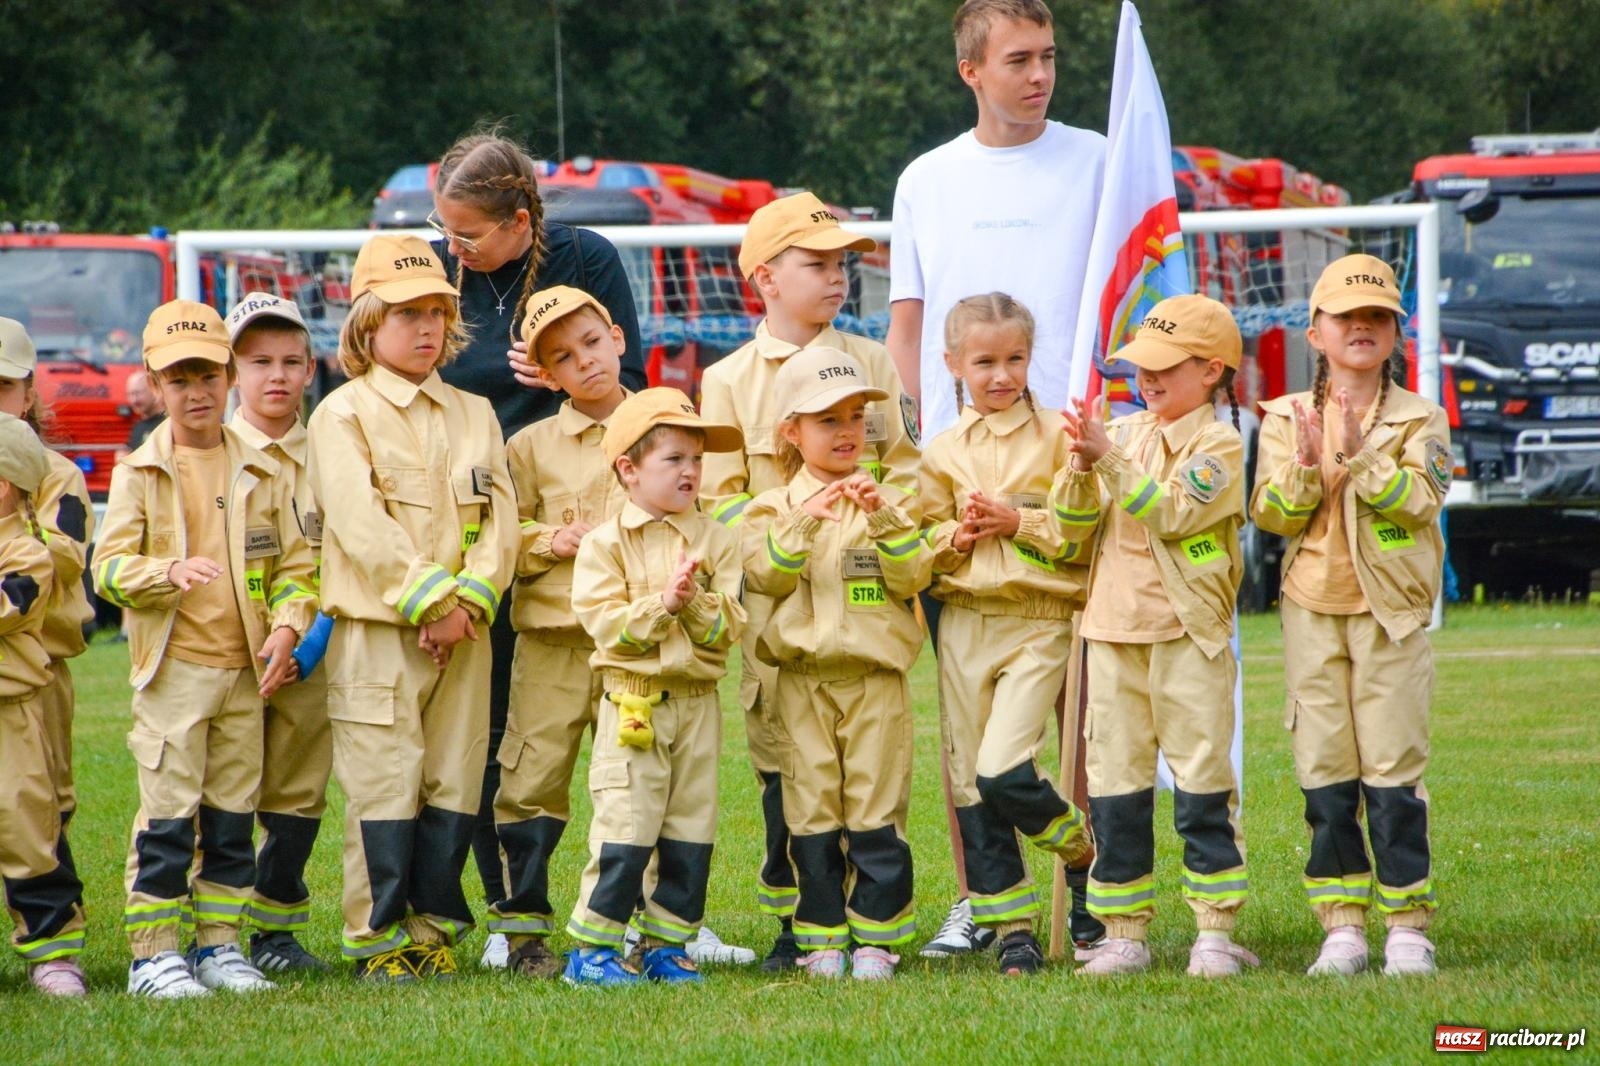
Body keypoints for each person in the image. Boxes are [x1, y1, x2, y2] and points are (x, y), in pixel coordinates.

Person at [885, 0, 1107, 955]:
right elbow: (908, 316)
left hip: (1076, 458)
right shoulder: (927, 178)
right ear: (970, 69)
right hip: (961, 471)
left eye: (1049, 57)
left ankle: (1101, 892)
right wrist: (917, 437)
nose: (1039, 74)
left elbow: (1140, 283)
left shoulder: (1101, 157)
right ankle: (987, 902)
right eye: (1018, 59)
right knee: (969, 723)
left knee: (1081, 709)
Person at [427, 131, 647, 965]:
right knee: (505, 734)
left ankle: (646, 913)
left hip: (587, 497)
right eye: (444, 228)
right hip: (488, 517)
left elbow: (624, 363)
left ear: (521, 221)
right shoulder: (435, 270)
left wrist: (555, 365)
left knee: (633, 732)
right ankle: (511, 916)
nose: (453, 246)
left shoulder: (585, 255)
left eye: (470, 235)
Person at [699, 191, 919, 969]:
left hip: (862, 621)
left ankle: (873, 935)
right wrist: (782, 526)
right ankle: (800, 931)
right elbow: (717, 506)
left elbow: (909, 476)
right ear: (764, 276)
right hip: (778, 631)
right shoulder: (726, 382)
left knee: (868, 787)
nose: (836, 278)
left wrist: (876, 516)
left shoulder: (873, 364)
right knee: (786, 783)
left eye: (844, 264)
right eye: (816, 263)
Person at [306, 234, 517, 981]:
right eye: (407, 314)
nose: (427, 327)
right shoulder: (341, 415)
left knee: (454, 784)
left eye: (438, 311)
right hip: (378, 636)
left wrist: (469, 605)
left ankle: (432, 931)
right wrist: (429, 602)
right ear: (367, 323)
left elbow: (503, 523)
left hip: (468, 634)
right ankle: (377, 942)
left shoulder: (475, 412)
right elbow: (360, 522)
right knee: (384, 784)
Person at [95, 300, 318, 997]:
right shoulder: (140, 470)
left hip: (245, 675)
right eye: (178, 379)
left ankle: (220, 946)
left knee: (229, 818)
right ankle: (153, 955)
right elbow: (106, 568)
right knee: (167, 817)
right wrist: (166, 573)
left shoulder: (261, 467)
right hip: (174, 675)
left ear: (228, 377)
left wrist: (287, 626)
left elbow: (297, 567)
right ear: (155, 386)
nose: (196, 393)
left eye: (208, 375)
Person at [1251, 255, 1448, 977]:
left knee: (1393, 771)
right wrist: (1306, 463)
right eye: (1346, 317)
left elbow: (1422, 501)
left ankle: (1407, 926)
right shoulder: (1282, 416)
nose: (1361, 328)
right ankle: (1342, 927)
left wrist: (1364, 456)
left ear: (1395, 331)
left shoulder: (1421, 417)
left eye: (1377, 317)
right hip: (1312, 611)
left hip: (1389, 614)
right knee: (1325, 773)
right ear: (1316, 333)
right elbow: (1270, 515)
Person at [1053, 294, 1256, 978]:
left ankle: (1215, 932)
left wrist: (1106, 458)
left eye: (1167, 366)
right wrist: (1079, 467)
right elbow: (1073, 526)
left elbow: (1171, 512)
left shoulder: (1218, 443)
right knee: (1115, 790)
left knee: (1202, 784)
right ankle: (1123, 933)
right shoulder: (1123, 430)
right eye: (1142, 365)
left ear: (1212, 370)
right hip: (1110, 633)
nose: (1148, 379)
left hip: (1186, 636)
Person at [740, 348, 932, 981]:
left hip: (876, 681)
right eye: (828, 420)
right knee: (811, 812)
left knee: (876, 811)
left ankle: (877, 938)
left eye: (856, 416)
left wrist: (881, 515)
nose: (847, 430)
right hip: (801, 683)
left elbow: (915, 574)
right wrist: (801, 521)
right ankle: (821, 937)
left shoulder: (889, 498)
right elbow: (762, 577)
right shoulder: (769, 508)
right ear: (791, 431)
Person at [919, 293, 1093, 976]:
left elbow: (1081, 538)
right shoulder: (940, 451)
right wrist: (952, 536)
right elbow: (918, 538)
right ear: (954, 363)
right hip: (964, 622)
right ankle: (1013, 928)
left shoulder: (1058, 436)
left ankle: (1081, 849)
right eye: (984, 361)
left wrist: (1020, 524)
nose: (1001, 375)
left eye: (1014, 359)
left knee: (1003, 769)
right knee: (969, 784)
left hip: (1037, 621)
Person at [563, 388, 746, 986]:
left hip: (698, 707)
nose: (690, 470)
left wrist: (695, 607)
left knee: (691, 831)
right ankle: (592, 950)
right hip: (633, 700)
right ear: (629, 469)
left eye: (696, 458)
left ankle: (668, 945)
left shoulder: (717, 540)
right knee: (626, 827)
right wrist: (661, 605)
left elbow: (730, 627)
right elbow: (607, 627)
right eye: (673, 459)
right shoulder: (603, 544)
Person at [488, 285, 630, 978]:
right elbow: (498, 537)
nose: (586, 363)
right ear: (546, 375)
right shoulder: (529, 447)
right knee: (532, 779)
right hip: (550, 641)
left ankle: (634, 928)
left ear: (618, 338)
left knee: (634, 780)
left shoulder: (668, 427)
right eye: (564, 358)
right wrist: (551, 539)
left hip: (637, 646)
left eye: (593, 344)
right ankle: (524, 934)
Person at [223, 293, 333, 972]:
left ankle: (275, 933)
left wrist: (308, 646)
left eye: (292, 361)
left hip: (308, 657)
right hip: (228, 658)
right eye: (260, 361)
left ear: (312, 368)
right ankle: (212, 936)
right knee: (221, 792)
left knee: (298, 793)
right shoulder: (213, 452)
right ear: (232, 370)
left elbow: (340, 561)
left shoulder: (332, 450)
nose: (277, 376)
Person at [0, 318, 95, 986]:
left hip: (35, 673)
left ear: (28, 391)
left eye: (2, 385)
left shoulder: (53, 475)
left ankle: (52, 951)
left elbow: (53, 562)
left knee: (37, 810)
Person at [124, 370, 165, 454]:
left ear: (154, 390)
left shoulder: (167, 425)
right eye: (130, 394)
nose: (134, 400)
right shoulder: (137, 428)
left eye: (137, 393)